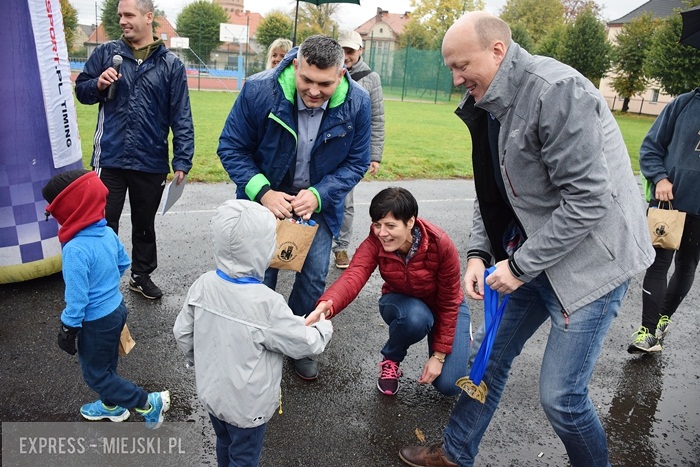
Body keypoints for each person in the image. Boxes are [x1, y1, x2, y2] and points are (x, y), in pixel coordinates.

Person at [399, 12, 654, 467]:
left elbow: (588, 203)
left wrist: (516, 267)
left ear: (497, 51)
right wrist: (480, 251)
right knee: (487, 361)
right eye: (450, 68)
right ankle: (455, 453)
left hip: (591, 265)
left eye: (461, 66)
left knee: (562, 396)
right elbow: (490, 189)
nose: (456, 79)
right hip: (533, 255)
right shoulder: (491, 102)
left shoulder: (556, 92)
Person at [217, 35, 371, 381]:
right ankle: (256, 337)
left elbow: (357, 162)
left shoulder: (358, 103)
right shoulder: (259, 91)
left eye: (325, 84)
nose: (314, 91)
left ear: (342, 72)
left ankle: (298, 340)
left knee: (314, 275)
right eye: (307, 80)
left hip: (317, 205)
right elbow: (231, 147)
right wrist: (264, 193)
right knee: (260, 276)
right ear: (296, 64)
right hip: (264, 201)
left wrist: (319, 194)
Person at [173, 199, 333, 466]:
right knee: (245, 456)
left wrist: (196, 359)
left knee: (224, 441)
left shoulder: (203, 285)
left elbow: (183, 333)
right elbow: (305, 342)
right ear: (264, 247)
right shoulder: (267, 304)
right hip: (249, 408)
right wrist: (323, 325)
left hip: (212, 393)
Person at [75, 0, 194, 301]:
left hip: (150, 160)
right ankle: (100, 280)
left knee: (144, 223)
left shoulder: (172, 65)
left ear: (149, 17)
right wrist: (98, 85)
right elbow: (82, 91)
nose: (123, 21)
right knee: (102, 222)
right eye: (120, 16)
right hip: (110, 157)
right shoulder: (106, 53)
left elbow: (181, 115)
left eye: (129, 15)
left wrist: (182, 159)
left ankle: (141, 276)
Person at [306, 187, 470, 396]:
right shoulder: (376, 241)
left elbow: (449, 303)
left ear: (410, 222)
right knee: (417, 317)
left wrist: (438, 357)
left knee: (449, 385)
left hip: (445, 305)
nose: (382, 233)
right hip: (403, 304)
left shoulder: (440, 244)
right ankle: (391, 359)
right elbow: (354, 274)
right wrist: (328, 304)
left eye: (390, 226)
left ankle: (466, 341)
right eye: (377, 225)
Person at [43, 169, 170, 429]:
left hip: (96, 321)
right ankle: (111, 405)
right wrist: (106, 284)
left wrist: (68, 328)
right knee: (107, 363)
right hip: (116, 309)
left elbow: (77, 300)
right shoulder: (107, 233)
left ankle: (147, 402)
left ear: (68, 211)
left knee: (96, 375)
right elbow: (123, 263)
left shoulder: (75, 249)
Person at [628, 87, 700, 353]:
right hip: (668, 203)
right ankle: (647, 332)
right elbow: (650, 147)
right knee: (658, 265)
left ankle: (661, 320)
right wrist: (660, 177)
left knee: (686, 265)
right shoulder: (683, 104)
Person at [332, 30, 385, 269]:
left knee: (345, 201)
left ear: (360, 50)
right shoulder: (329, 69)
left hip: (353, 150)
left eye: (350, 51)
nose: (346, 55)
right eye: (342, 50)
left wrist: (374, 156)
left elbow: (378, 118)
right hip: (325, 145)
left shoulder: (370, 78)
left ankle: (341, 247)